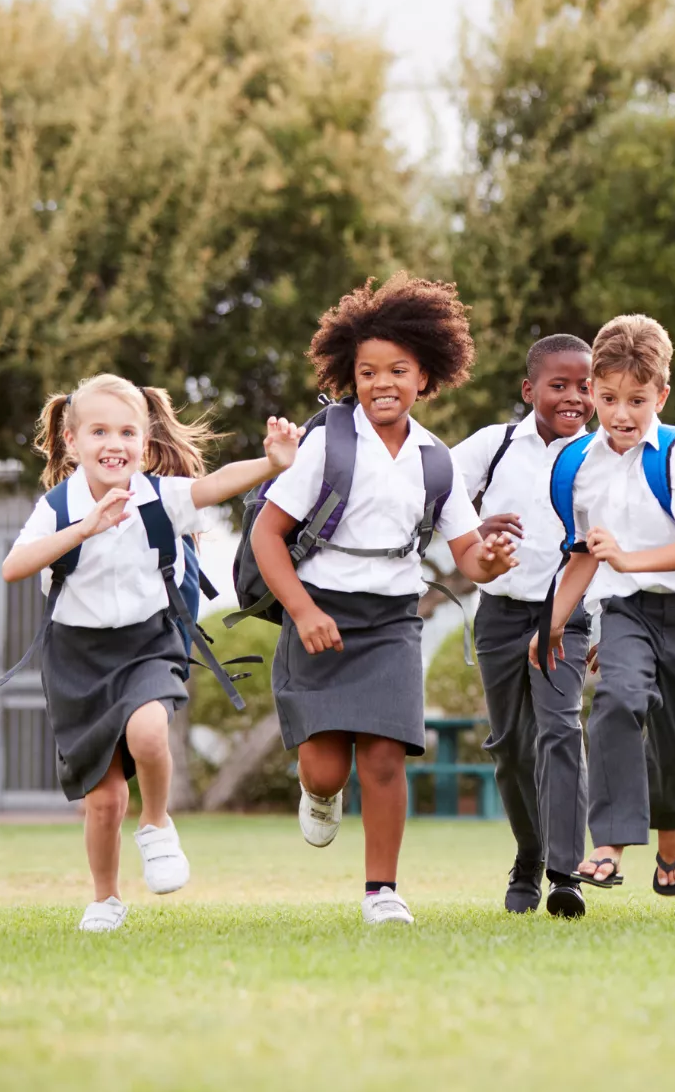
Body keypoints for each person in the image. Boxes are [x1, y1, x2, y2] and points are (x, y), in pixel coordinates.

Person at [253, 274, 519, 926]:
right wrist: (306, 611)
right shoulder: (328, 442)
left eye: (398, 370)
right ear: (351, 377)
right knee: (324, 767)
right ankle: (319, 795)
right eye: (368, 371)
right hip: (320, 611)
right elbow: (267, 534)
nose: (382, 383)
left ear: (425, 377)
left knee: (383, 755)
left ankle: (382, 892)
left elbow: (466, 555)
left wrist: (490, 557)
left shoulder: (437, 460)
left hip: (392, 619)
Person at [2, 373, 301, 933]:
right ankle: (105, 898)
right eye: (98, 431)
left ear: (144, 442)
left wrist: (272, 464)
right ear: (72, 441)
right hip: (76, 656)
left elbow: (215, 486)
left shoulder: (161, 497)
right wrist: (84, 529)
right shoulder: (57, 507)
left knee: (147, 734)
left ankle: (158, 822)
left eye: (126, 432)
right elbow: (13, 566)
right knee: (105, 798)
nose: (112, 443)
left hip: (147, 640)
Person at [534, 314, 675, 897]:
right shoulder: (579, 466)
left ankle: (672, 823)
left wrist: (628, 558)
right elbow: (584, 555)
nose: (621, 414)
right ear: (592, 388)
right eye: (610, 397)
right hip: (626, 612)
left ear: (661, 395)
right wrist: (550, 623)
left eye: (637, 400)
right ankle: (611, 843)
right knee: (618, 700)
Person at [450, 333, 597, 917]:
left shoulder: (602, 456)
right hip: (499, 615)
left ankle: (566, 874)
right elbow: (438, 496)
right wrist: (476, 527)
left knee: (561, 733)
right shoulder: (495, 443)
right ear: (528, 388)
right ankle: (529, 857)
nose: (573, 398)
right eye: (558, 386)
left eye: (585, 387)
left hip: (567, 616)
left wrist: (601, 623)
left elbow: (608, 548)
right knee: (511, 749)